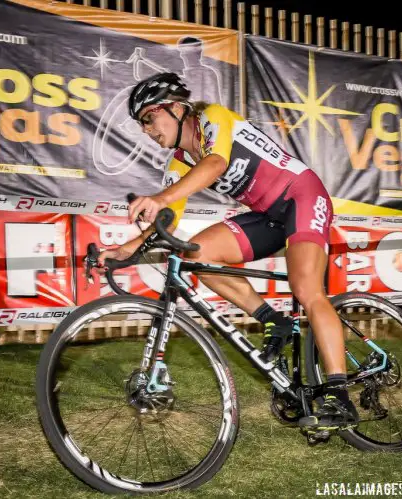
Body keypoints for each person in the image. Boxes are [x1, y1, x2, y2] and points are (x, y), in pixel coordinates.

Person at [97, 72, 358, 430]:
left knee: (306, 289)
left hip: (302, 195)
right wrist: (125, 250)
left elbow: (215, 164)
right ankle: (273, 320)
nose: (146, 129)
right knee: (197, 255)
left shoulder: (212, 117)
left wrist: (159, 199)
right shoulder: (179, 160)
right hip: (268, 214)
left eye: (148, 118)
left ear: (175, 108)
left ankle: (339, 395)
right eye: (141, 124)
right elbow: (169, 219)